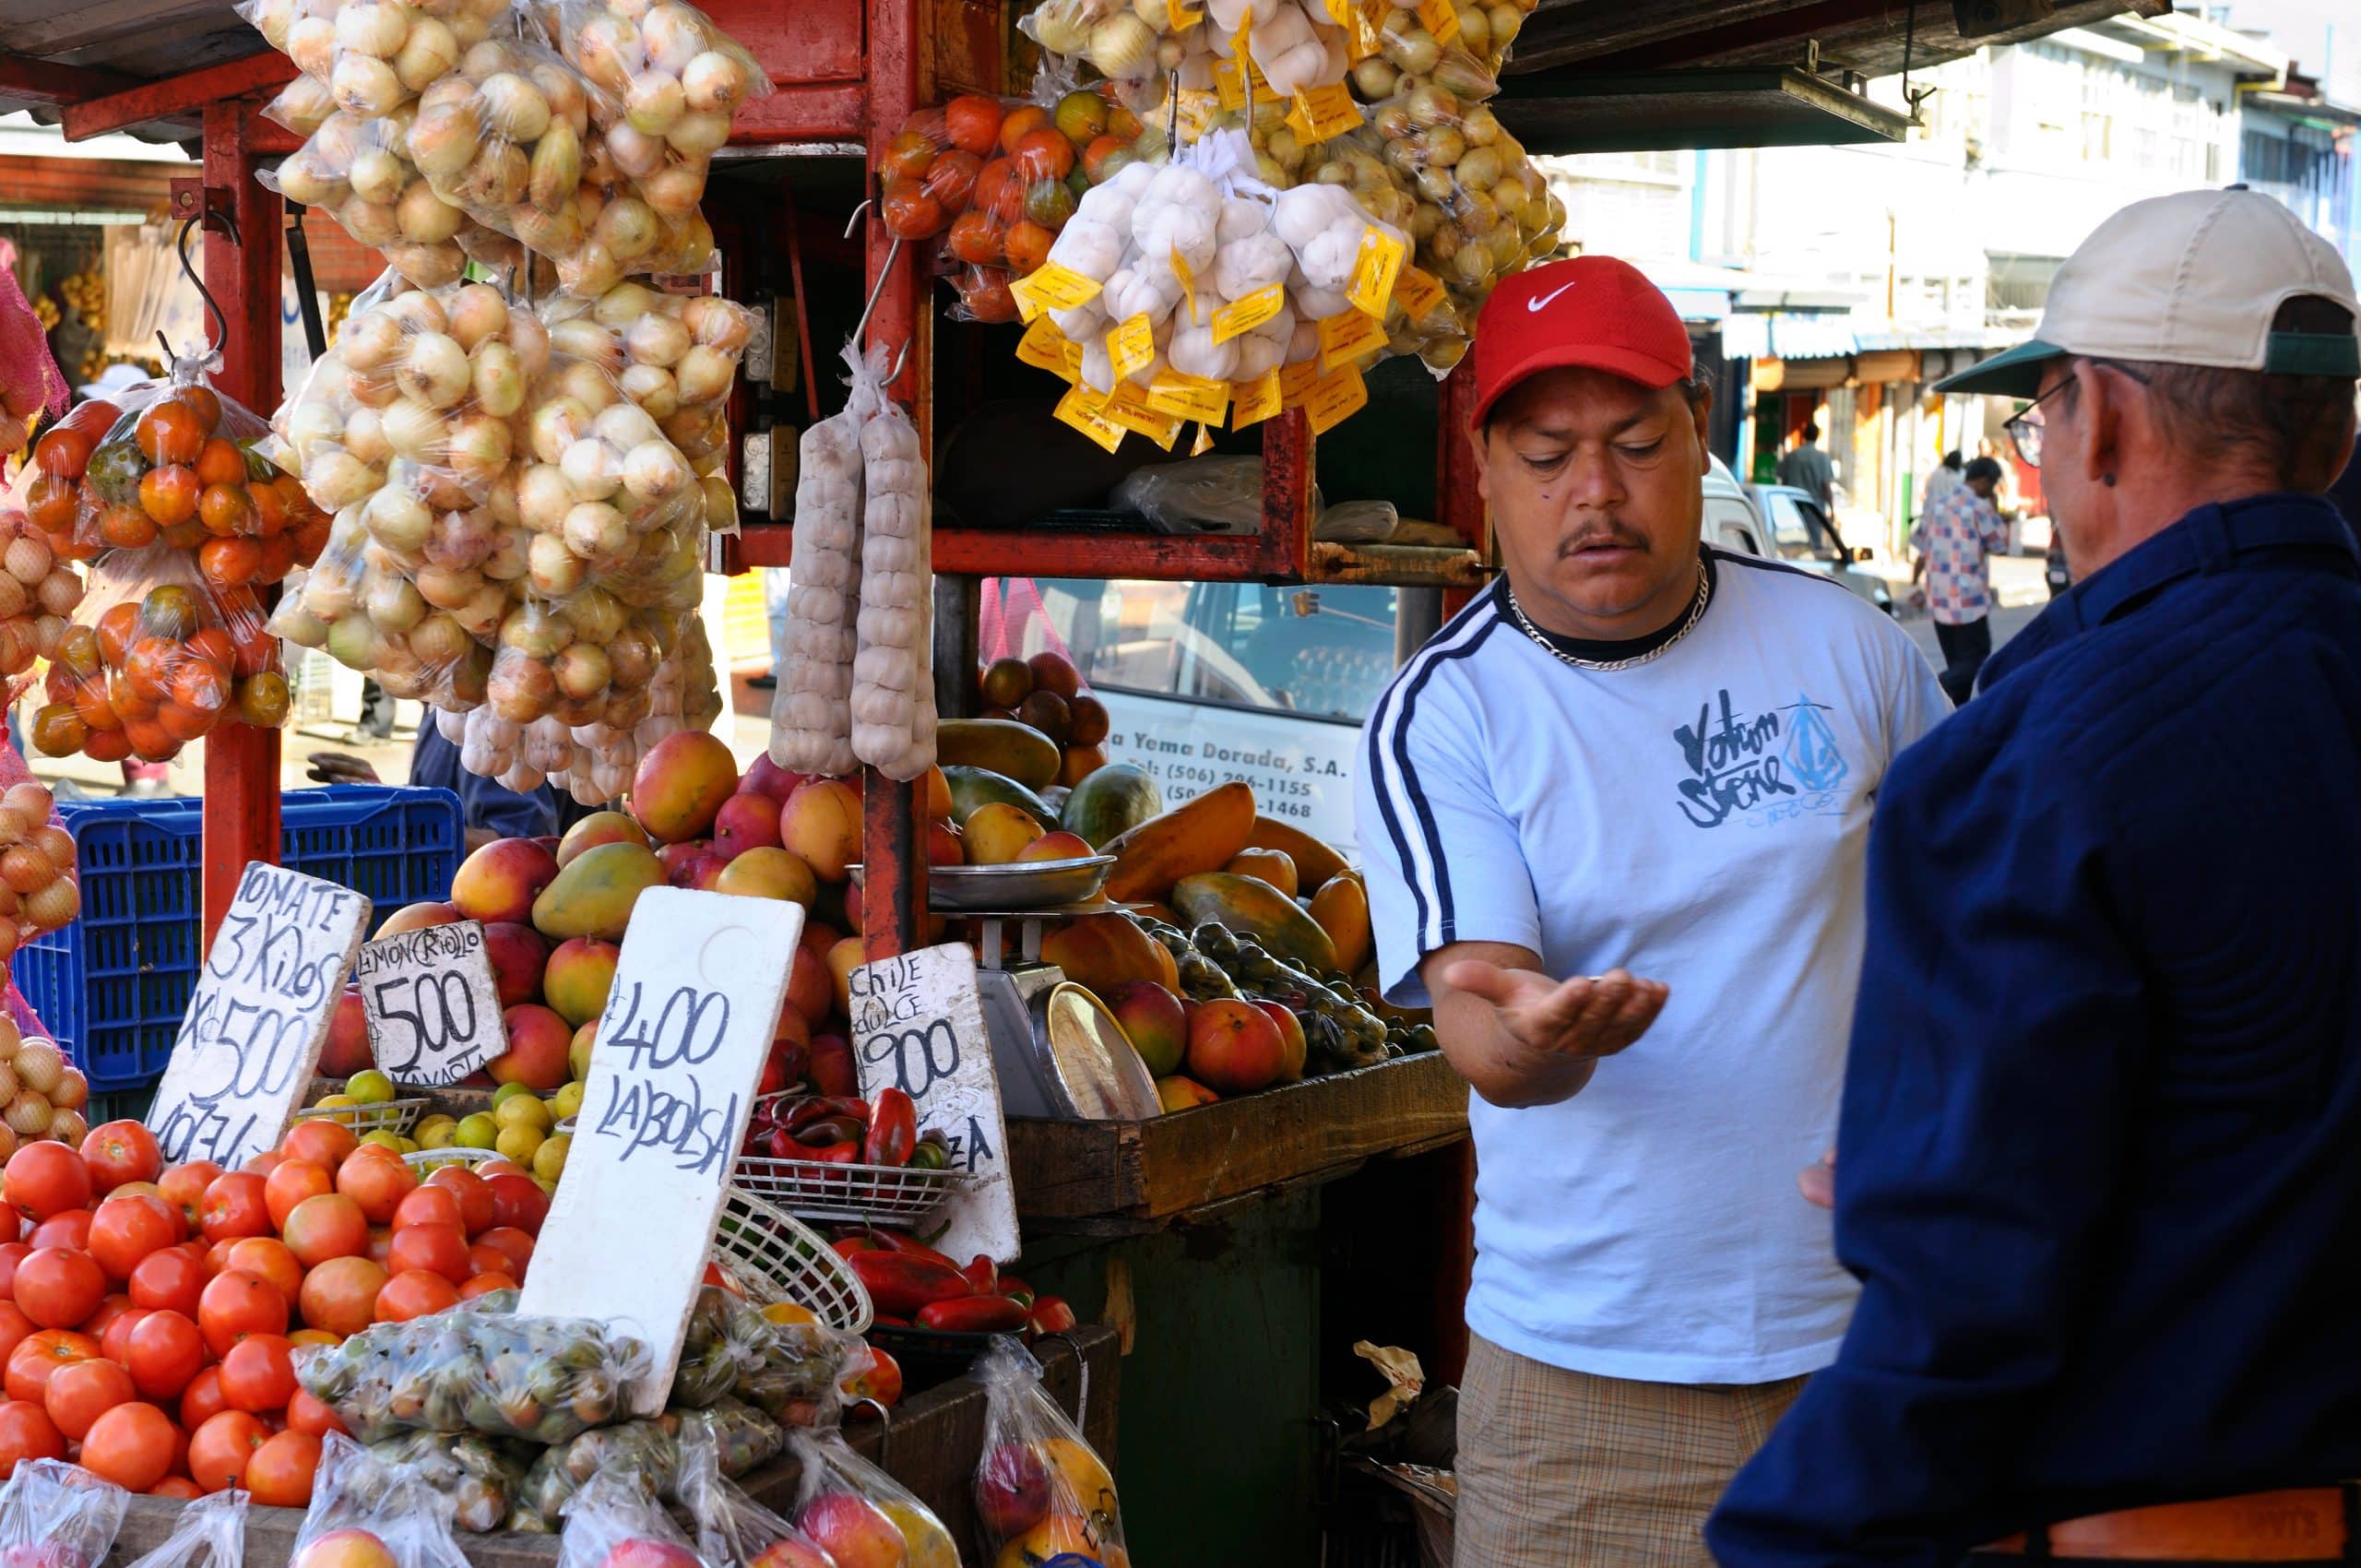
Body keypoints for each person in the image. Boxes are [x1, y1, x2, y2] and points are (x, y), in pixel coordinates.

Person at [1709, 187, 2361, 1566]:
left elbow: (1965, 1297)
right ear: (2339, 432)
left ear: (2103, 419)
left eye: (2044, 414)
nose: (2042, 455)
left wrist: (1785, 1540)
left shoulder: (2039, 756)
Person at [1354, 255, 1949, 1568]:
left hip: (1869, 1343)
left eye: (1635, 443)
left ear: (1698, 439)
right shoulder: (1448, 712)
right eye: (1552, 453)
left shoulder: (1853, 652)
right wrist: (1539, 1038)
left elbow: (1980, 927)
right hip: (1584, 1391)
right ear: (1488, 467)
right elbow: (1482, 1020)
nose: (1597, 493)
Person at [308, 720, 601, 850]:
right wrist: (386, 798)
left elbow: (524, 845)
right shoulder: (442, 711)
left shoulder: (486, 720)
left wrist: (401, 820)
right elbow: (440, 810)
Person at [1908, 456, 2011, 702]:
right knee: (1975, 659)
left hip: (1940, 599)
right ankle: (1930, 688)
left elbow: (1922, 548)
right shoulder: (1979, 507)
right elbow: (1999, 544)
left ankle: (1952, 717)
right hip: (1969, 602)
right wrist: (1994, 508)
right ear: (1985, 481)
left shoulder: (1937, 504)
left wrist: (1914, 583)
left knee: (1957, 662)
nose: (1991, 491)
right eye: (1992, 485)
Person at [1775, 421, 1835, 507]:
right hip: (1814, 508)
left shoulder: (1792, 456)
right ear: (1817, 436)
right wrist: (1831, 508)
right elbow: (1826, 486)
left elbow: (1782, 481)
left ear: (1804, 435)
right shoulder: (1823, 458)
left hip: (1793, 506)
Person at [1919, 449, 1964, 517]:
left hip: (1933, 511)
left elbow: (1927, 490)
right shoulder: (1961, 475)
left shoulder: (1936, 473)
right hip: (1948, 514)